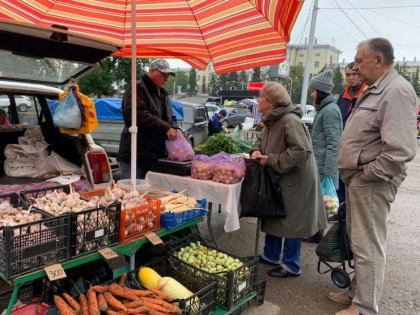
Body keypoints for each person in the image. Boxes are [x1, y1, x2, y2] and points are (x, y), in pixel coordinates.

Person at [329, 38, 417, 315]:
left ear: (378, 60)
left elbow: (400, 151)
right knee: (359, 242)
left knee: (369, 245)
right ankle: (358, 294)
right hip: (360, 181)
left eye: (360, 60)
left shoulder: (397, 91)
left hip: (371, 183)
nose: (355, 65)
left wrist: (367, 174)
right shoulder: (378, 89)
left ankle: (365, 307)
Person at [250, 82, 327, 278]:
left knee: (294, 222)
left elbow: (301, 151)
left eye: (260, 97)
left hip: (296, 181)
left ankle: (292, 264)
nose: (258, 100)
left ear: (270, 102)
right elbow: (261, 139)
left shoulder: (290, 120)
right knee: (275, 215)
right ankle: (271, 255)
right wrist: (256, 150)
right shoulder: (272, 119)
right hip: (280, 176)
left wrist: (271, 159)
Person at [118, 59, 178, 179]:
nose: (166, 78)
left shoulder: (163, 94)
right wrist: (165, 127)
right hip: (135, 155)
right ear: (151, 71)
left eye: (168, 76)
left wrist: (175, 128)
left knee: (150, 194)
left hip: (155, 156)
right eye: (163, 74)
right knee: (131, 193)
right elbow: (138, 115)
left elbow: (170, 117)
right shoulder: (136, 88)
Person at [304, 69, 343, 243]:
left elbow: (334, 143)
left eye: (313, 91)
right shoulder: (326, 108)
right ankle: (316, 233)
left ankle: (317, 235)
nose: (311, 94)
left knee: (322, 203)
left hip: (323, 167)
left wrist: (328, 172)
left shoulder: (330, 111)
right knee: (319, 203)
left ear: (319, 92)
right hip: (319, 164)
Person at [336, 62, 367, 216]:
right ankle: (341, 213)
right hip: (341, 147)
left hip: (359, 150)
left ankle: (349, 214)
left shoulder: (367, 95)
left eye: (354, 74)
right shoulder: (343, 96)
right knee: (341, 183)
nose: (351, 77)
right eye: (348, 74)